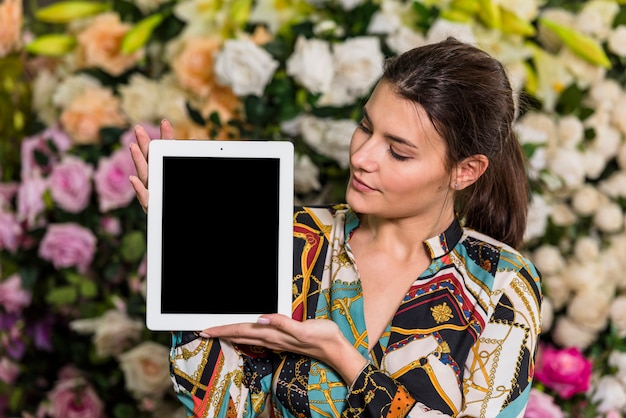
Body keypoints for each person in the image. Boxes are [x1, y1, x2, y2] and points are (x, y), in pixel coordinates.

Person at [129, 37, 542, 417]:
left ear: (465, 171)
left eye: (398, 152)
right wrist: (186, 250)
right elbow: (230, 406)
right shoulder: (291, 239)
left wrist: (343, 359)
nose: (362, 156)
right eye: (365, 126)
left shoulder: (502, 282)